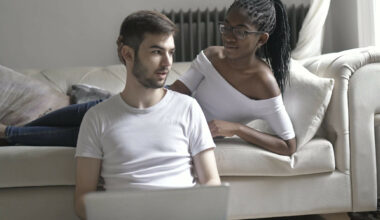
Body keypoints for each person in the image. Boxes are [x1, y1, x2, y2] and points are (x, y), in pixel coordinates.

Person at [1, 0, 296, 156]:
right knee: (97, 109)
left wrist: (236, 129)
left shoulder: (264, 83)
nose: (230, 36)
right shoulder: (213, 54)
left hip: (179, 131)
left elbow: (288, 145)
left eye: (240, 31)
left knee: (99, 130)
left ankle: (8, 135)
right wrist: (145, 100)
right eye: (226, 27)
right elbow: (180, 89)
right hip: (163, 107)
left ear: (262, 39)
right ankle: (19, 129)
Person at [74, 10, 221, 220]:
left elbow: (211, 183)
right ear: (127, 54)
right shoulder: (96, 118)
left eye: (171, 52)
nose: (167, 62)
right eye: (156, 52)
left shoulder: (189, 108)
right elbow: (82, 197)